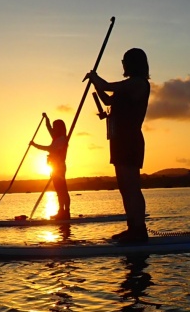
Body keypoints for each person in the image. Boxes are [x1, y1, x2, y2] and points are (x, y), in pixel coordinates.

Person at [85, 47, 150, 242]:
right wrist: (95, 84)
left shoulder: (138, 84)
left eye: (124, 60)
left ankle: (139, 229)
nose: (122, 64)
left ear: (133, 63)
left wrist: (95, 77)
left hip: (130, 140)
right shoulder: (127, 86)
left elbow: (108, 86)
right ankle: (132, 227)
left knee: (131, 186)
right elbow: (106, 97)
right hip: (119, 140)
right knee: (123, 187)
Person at [30, 113, 70, 220]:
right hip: (55, 168)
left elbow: (50, 149)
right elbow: (48, 128)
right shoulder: (56, 138)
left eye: (55, 126)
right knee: (59, 190)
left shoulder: (62, 139)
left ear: (60, 128)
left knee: (62, 190)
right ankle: (61, 211)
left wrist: (35, 145)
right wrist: (46, 118)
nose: (53, 128)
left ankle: (66, 212)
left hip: (60, 168)